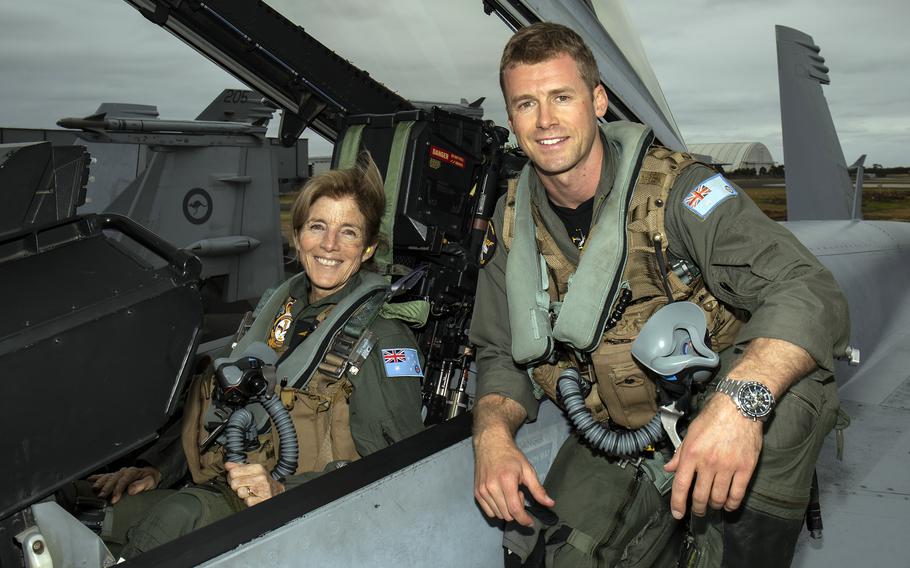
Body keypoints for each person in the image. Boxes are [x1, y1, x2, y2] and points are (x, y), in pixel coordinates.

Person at [470, 22, 849, 567]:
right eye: (526, 103)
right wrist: (491, 434)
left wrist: (739, 404)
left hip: (722, 410)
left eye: (561, 97)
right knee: (557, 557)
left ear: (597, 101)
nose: (546, 120)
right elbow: (499, 351)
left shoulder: (678, 191)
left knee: (784, 414)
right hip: (624, 430)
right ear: (511, 120)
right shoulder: (509, 225)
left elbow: (808, 288)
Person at [89, 153, 426, 558]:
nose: (330, 245)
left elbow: (396, 469)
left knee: (175, 519)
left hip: (303, 514)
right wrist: (160, 470)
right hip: (226, 482)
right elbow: (225, 412)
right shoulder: (275, 311)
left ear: (369, 248)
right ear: (298, 235)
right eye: (318, 226)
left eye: (349, 232)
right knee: (108, 513)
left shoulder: (383, 338)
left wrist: (283, 488)